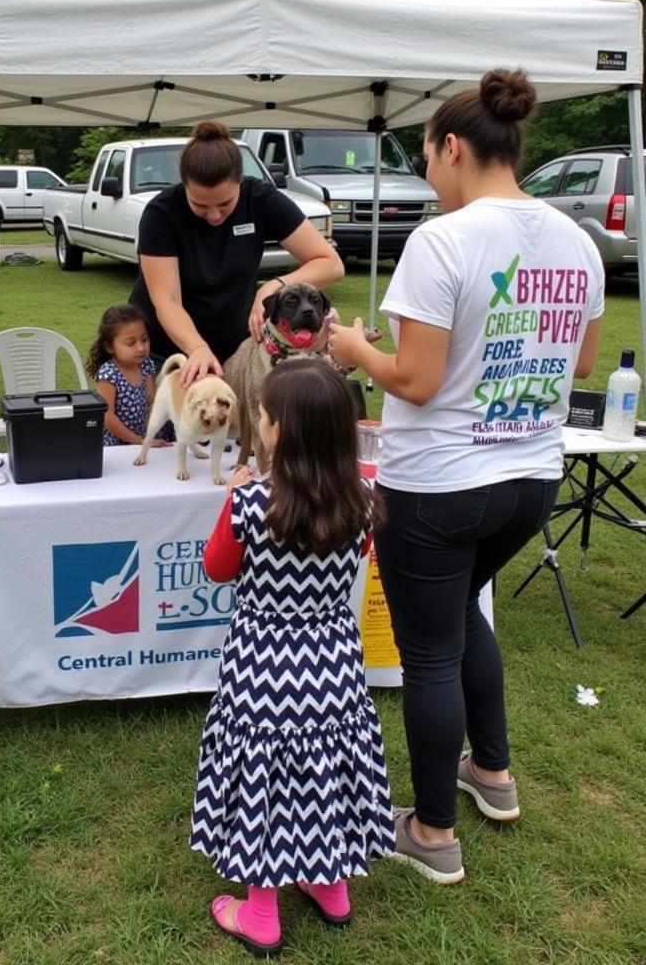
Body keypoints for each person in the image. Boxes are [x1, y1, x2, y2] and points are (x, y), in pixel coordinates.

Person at [329, 69, 604, 885]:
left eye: (427, 161)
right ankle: (491, 772)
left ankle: (432, 831)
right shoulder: (578, 240)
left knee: (429, 654)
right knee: (459, 619)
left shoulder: (442, 240)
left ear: (453, 147)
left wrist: (353, 351)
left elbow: (410, 380)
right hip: (529, 478)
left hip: (439, 484)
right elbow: (581, 362)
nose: (429, 177)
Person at [190, 358, 395, 957]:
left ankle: (259, 914)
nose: (255, 420)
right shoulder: (362, 499)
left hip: (262, 664)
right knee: (321, 770)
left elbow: (217, 568)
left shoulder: (250, 503)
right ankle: (330, 888)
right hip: (332, 663)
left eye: (261, 415)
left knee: (264, 779)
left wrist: (232, 503)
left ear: (280, 430)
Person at [128, 120, 343, 388]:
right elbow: (167, 301)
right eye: (200, 205)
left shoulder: (260, 198)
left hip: (233, 347)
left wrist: (272, 288)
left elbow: (330, 264)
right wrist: (196, 348)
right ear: (184, 186)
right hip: (165, 350)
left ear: (240, 181)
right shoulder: (161, 214)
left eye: (225, 203)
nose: (214, 215)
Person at [87, 303, 166, 447]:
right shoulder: (109, 374)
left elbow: (151, 401)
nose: (141, 348)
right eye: (131, 343)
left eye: (144, 340)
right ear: (110, 347)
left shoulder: (146, 365)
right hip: (116, 443)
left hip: (142, 439)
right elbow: (107, 415)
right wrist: (136, 440)